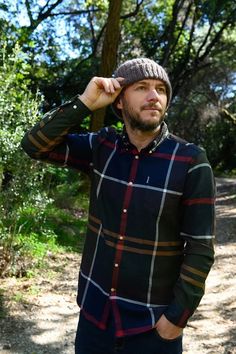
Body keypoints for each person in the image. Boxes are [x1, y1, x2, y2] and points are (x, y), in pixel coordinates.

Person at [21, 58, 215, 354]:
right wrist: (86, 102)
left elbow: (200, 249)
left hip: (152, 327)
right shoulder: (102, 146)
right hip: (95, 318)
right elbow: (35, 145)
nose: (155, 96)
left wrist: (176, 318)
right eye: (142, 87)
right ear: (120, 101)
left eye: (161, 89)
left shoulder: (190, 161)